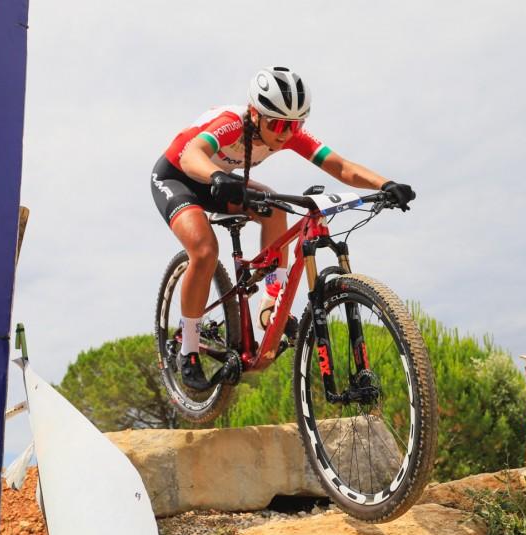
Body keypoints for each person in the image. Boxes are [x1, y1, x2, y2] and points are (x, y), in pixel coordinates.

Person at [151, 66, 416, 390]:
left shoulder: (288, 135)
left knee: (275, 206)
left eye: (295, 125)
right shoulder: (232, 123)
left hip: (218, 179)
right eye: (277, 124)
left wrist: (386, 184)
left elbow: (342, 167)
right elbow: (192, 154)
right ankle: (188, 348)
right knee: (205, 251)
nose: (284, 133)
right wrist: (218, 177)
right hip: (178, 177)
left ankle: (270, 303)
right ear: (254, 113)